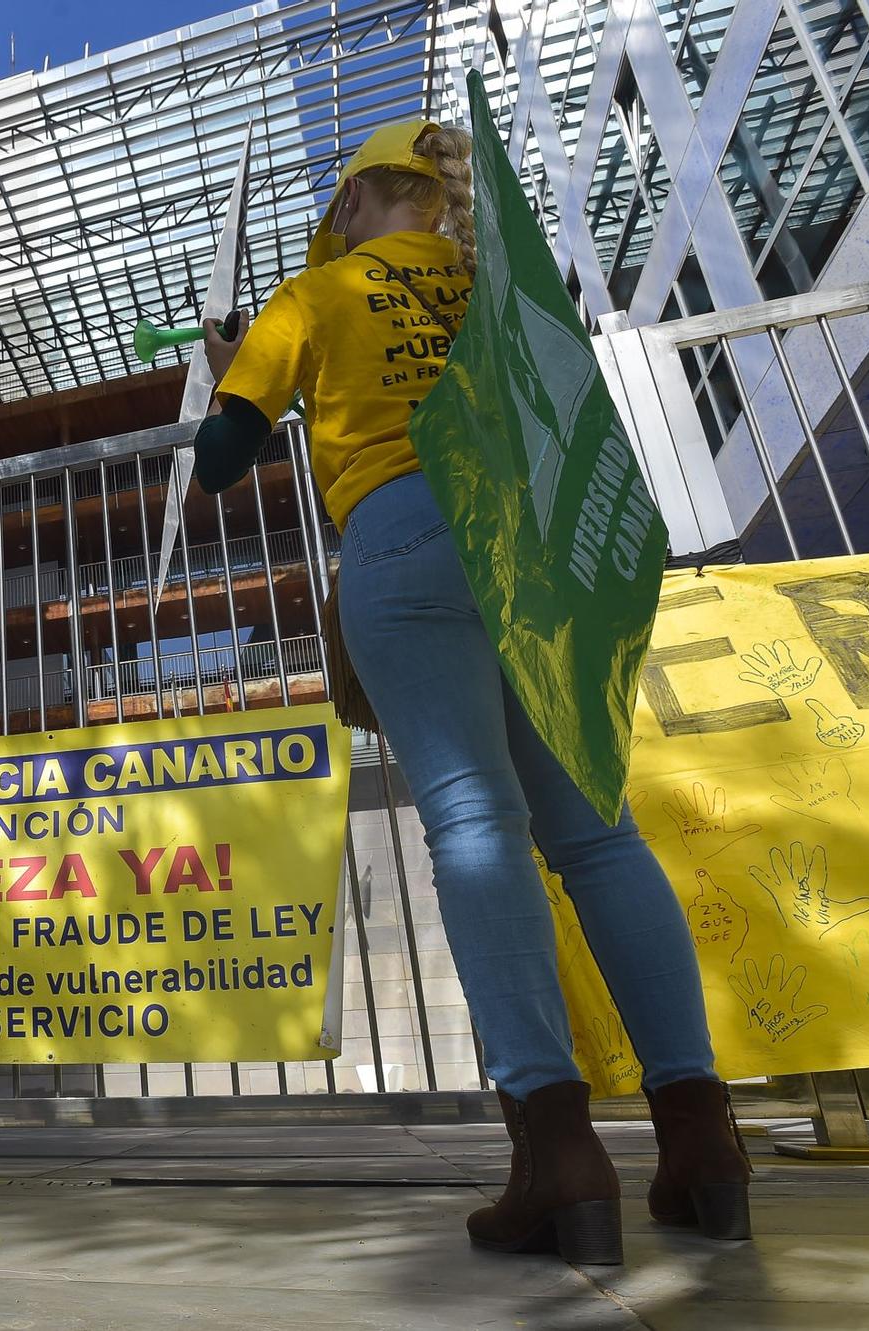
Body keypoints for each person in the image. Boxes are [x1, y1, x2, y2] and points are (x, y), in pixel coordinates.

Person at [189, 119, 749, 1263]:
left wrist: (231, 365)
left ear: (351, 204)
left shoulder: (318, 293)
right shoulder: (501, 289)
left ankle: (557, 1152)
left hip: (400, 532)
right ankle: (701, 1142)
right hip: (533, 543)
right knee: (598, 833)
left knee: (470, 821)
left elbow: (219, 456)